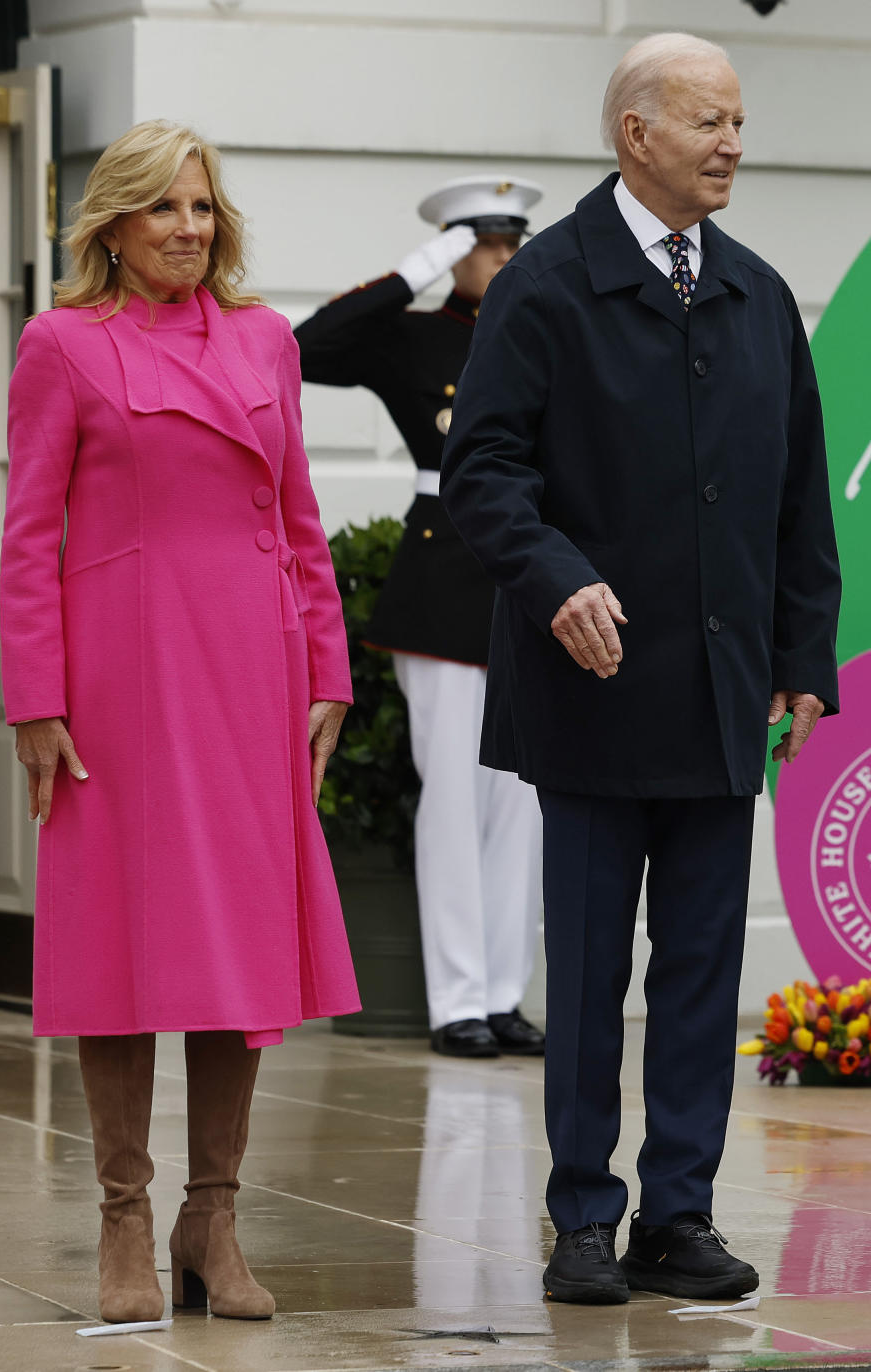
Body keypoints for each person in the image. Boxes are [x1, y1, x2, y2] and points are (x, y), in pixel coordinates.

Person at [441, 32, 840, 1304]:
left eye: (738, 120)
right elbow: (484, 473)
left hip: (724, 697)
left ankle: (680, 1213)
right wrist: (558, 579)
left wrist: (801, 655)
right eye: (709, 121)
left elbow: (796, 505)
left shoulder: (761, 292)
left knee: (704, 966)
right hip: (595, 692)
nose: (733, 142)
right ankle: (580, 1221)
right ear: (636, 134)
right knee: (594, 963)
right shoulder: (549, 285)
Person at [0, 121, 360, 1324]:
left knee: (237, 945)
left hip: (250, 672)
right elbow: (27, 535)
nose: (190, 229)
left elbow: (298, 516)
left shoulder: (264, 341)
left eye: (203, 208)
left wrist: (328, 668)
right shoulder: (61, 344)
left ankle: (214, 1219)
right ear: (113, 223)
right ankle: (124, 1219)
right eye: (164, 209)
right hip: (121, 682)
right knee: (117, 945)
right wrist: (36, 699)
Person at [296, 177, 546, 1059]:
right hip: (444, 582)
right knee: (452, 794)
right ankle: (457, 1001)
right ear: (454, 250)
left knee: (522, 802)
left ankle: (506, 994)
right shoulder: (411, 337)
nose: (506, 261)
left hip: (531, 586)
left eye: (516, 245)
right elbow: (307, 347)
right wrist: (422, 267)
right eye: (487, 245)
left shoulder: (545, 332)